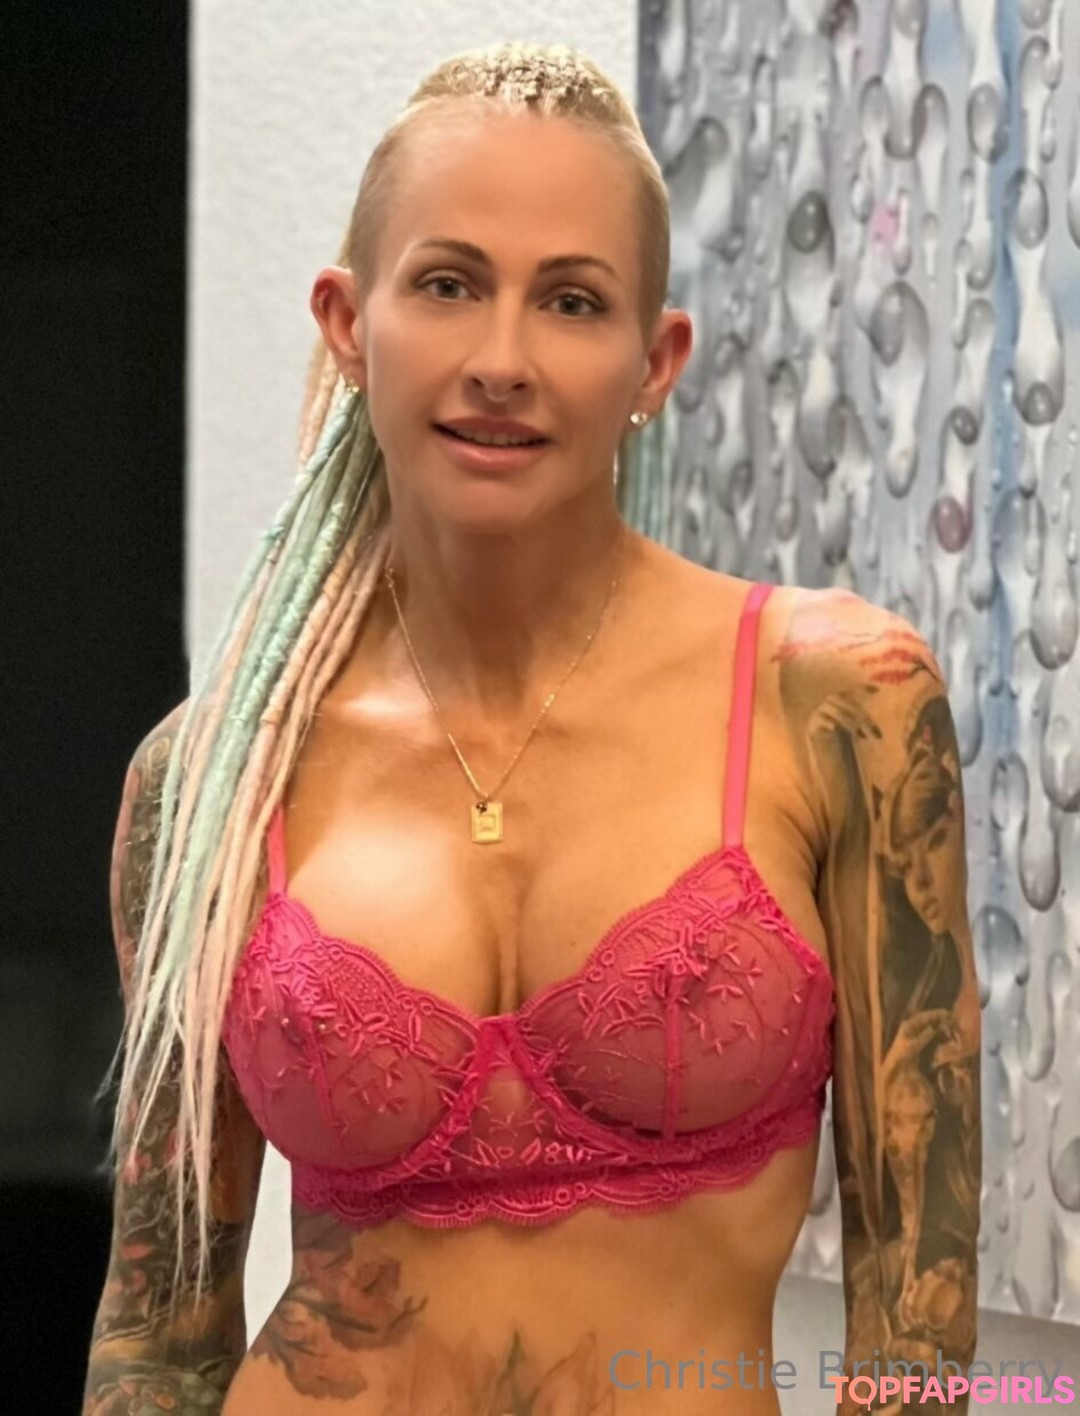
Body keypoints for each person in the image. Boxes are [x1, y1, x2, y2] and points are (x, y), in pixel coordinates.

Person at [82, 40, 981, 1416]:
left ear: (654, 361)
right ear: (347, 322)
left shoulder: (839, 698)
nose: (500, 361)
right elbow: (159, 1335)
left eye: (571, 301)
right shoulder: (210, 781)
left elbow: (916, 1342)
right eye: (448, 285)